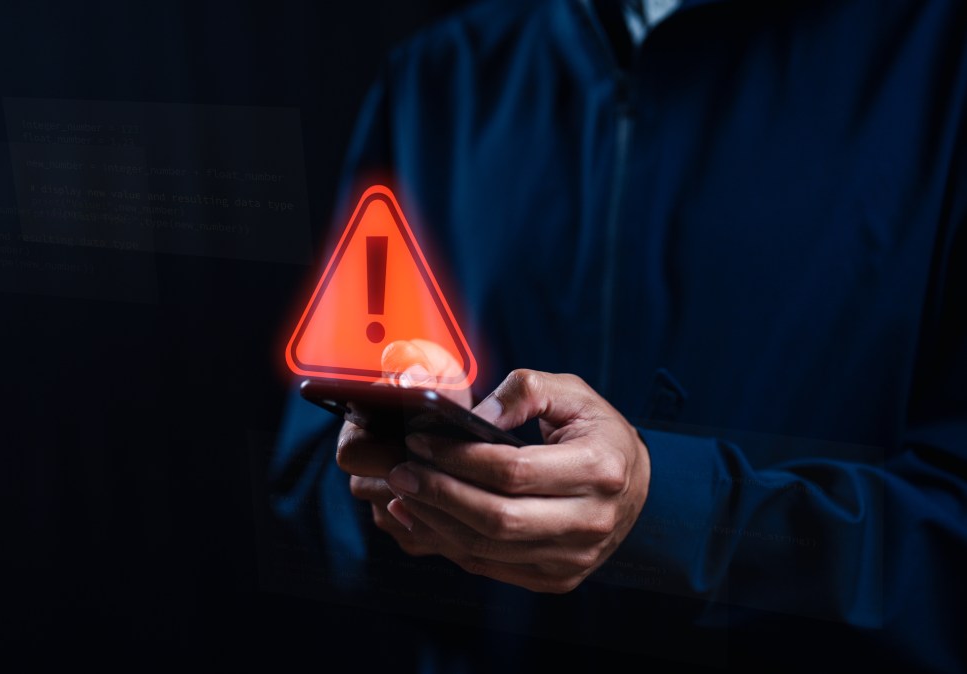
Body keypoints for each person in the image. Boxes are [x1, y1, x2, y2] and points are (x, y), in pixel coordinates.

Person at [268, 0, 967, 670]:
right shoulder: (437, 81)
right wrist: (410, 480)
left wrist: (673, 518)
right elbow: (310, 483)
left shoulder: (944, 66)